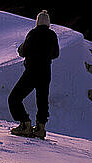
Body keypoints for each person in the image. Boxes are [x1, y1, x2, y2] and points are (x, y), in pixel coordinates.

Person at [8, 10, 59, 139]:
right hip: (46, 72)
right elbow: (56, 54)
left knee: (14, 98)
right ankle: (40, 128)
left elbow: (23, 51)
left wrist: (21, 48)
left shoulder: (33, 33)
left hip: (32, 71)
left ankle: (25, 124)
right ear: (48, 23)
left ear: (37, 22)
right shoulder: (52, 35)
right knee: (42, 100)